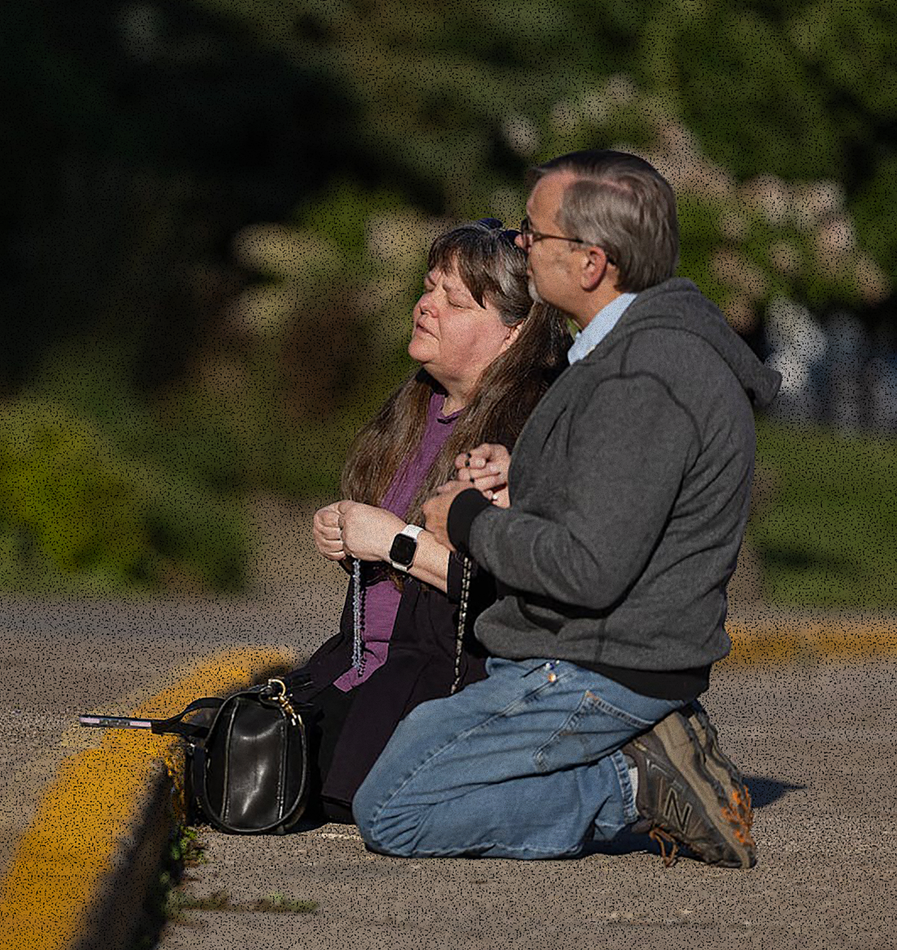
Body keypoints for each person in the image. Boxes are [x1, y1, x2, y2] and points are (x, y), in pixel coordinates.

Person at [352, 149, 781, 868]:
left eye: (534, 234)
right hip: (590, 653)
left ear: (591, 263)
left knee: (395, 807)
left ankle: (633, 781)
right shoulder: (629, 350)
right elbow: (627, 498)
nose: (521, 245)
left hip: (597, 666)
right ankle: (642, 749)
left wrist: (466, 520)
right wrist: (526, 480)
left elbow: (588, 569)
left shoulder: (647, 374)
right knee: (399, 753)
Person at [290, 218, 572, 822]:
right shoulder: (414, 409)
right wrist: (346, 534)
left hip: (445, 679)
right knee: (241, 755)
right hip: (362, 662)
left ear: (512, 334)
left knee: (348, 803)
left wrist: (392, 541)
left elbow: (511, 589)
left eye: (455, 299)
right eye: (429, 287)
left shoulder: (529, 438)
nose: (426, 306)